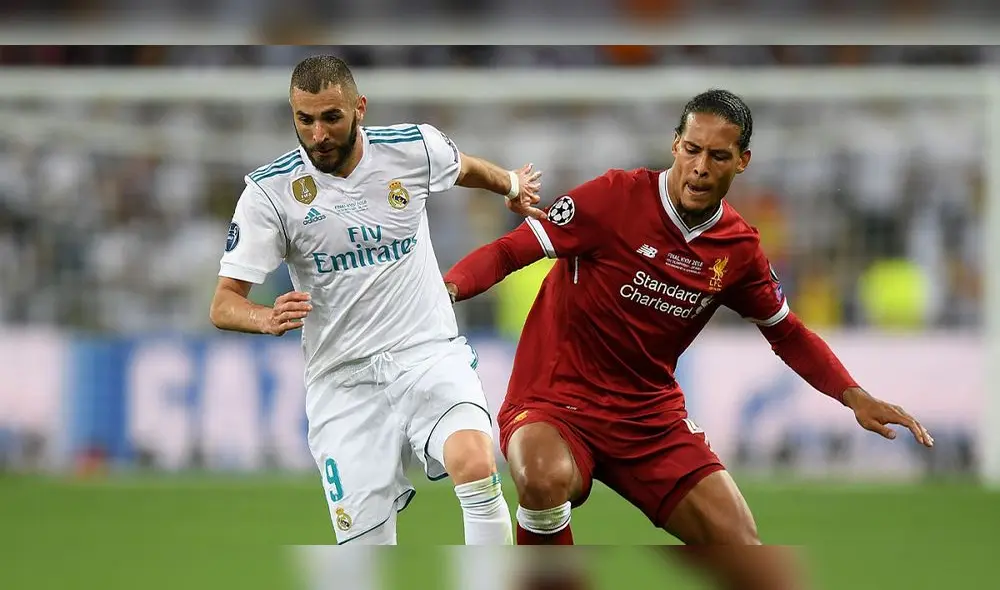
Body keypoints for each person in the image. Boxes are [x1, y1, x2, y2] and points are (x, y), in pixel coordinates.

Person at [443, 90, 933, 584]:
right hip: (555, 402)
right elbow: (509, 251)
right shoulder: (613, 198)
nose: (700, 167)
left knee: (748, 556)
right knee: (541, 476)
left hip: (648, 420)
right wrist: (449, 289)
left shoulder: (738, 249)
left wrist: (855, 396)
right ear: (675, 145)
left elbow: (787, 333)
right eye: (692, 150)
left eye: (718, 156)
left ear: (742, 162)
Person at [209, 55, 545, 545]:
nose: (318, 134)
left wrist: (511, 185)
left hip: (425, 353)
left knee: (475, 463)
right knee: (364, 554)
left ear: (359, 108)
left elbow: (464, 167)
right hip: (342, 380)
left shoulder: (412, 148)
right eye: (305, 120)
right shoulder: (270, 193)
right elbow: (223, 303)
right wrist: (263, 317)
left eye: (331, 117)